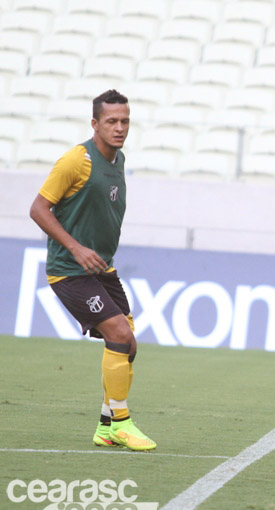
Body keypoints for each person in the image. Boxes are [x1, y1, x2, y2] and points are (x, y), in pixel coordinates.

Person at [29, 89, 156, 451]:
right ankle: (121, 422)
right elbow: (38, 209)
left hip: (102, 268)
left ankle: (105, 425)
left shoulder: (118, 160)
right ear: (95, 124)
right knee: (117, 330)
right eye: (112, 121)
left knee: (127, 341)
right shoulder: (76, 160)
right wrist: (76, 247)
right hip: (69, 269)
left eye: (125, 121)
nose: (119, 128)